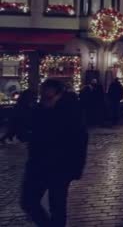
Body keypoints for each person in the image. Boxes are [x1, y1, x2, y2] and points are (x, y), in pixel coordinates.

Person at [20, 79, 88, 227]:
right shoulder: (40, 109)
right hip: (38, 165)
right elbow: (31, 132)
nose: (45, 101)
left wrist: (76, 169)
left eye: (49, 97)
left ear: (60, 95)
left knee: (57, 206)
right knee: (28, 201)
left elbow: (80, 142)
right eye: (42, 97)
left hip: (61, 167)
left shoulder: (71, 111)